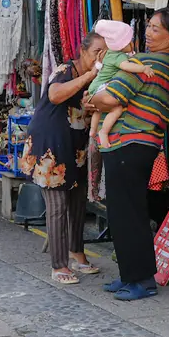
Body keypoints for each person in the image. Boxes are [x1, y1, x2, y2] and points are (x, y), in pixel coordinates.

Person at [86, 7, 169, 301]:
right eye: (149, 26)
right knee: (122, 212)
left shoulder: (147, 62)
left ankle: (142, 280)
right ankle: (129, 275)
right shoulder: (164, 63)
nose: (149, 32)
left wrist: (92, 100)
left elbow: (109, 97)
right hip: (134, 145)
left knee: (129, 213)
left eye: (156, 29)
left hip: (130, 143)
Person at [20, 32, 107, 283]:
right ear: (82, 50)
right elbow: (55, 95)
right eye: (96, 52)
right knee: (57, 205)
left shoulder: (97, 77)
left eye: (104, 53)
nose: (99, 58)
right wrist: (90, 75)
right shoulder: (65, 70)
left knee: (78, 202)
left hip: (73, 145)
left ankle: (76, 253)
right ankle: (59, 265)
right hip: (51, 147)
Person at [86, 20, 154, 148]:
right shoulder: (119, 57)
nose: (132, 43)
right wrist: (143, 69)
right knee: (116, 109)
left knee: (98, 109)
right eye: (130, 41)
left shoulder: (109, 53)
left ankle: (92, 130)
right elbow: (126, 66)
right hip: (101, 87)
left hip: (95, 86)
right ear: (122, 44)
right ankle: (103, 132)